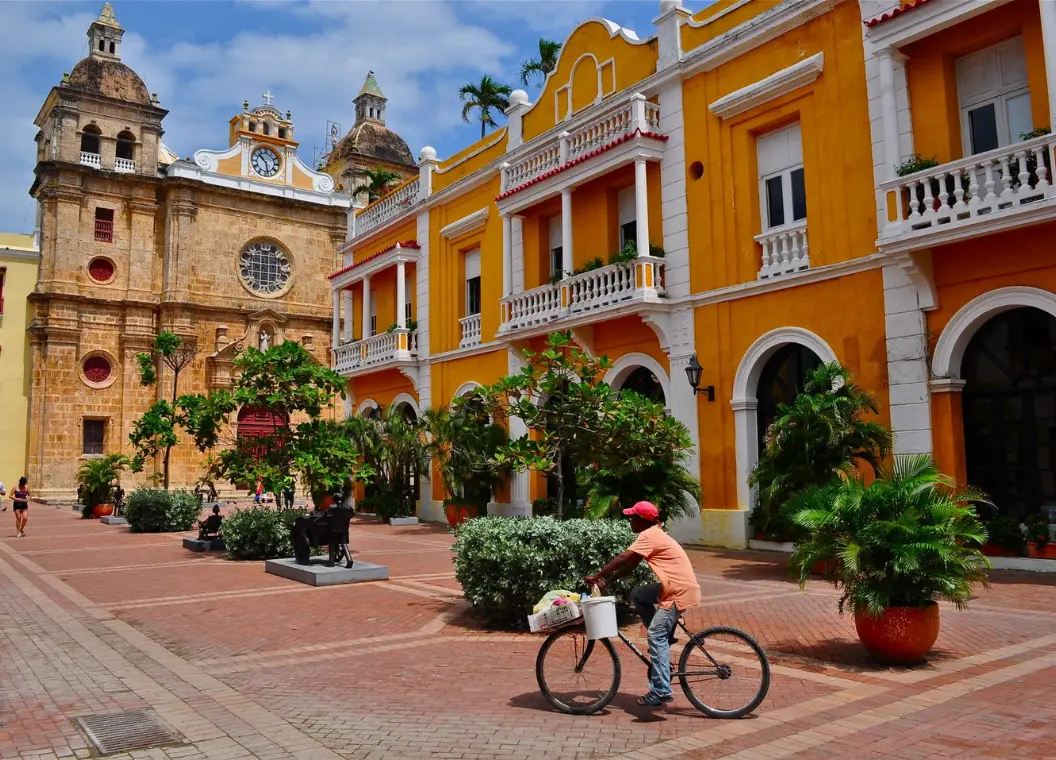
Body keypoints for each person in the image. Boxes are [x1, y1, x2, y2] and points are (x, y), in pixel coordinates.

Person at [585, 501, 701, 707]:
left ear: (641, 520)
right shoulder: (653, 534)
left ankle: (661, 691)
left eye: (632, 517)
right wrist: (607, 581)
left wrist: (597, 575)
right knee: (639, 594)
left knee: (655, 636)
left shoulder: (649, 535)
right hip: (674, 586)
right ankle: (664, 638)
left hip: (677, 591)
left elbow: (623, 557)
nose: (630, 521)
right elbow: (630, 565)